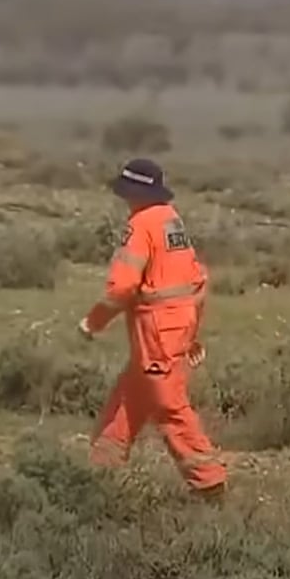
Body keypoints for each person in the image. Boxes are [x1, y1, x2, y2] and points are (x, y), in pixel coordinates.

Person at [83, 158, 226, 498]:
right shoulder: (171, 220)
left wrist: (93, 321)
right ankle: (101, 468)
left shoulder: (141, 225)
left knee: (168, 406)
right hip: (175, 326)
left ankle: (209, 483)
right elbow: (198, 280)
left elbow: (122, 287)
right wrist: (191, 333)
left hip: (156, 330)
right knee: (130, 396)